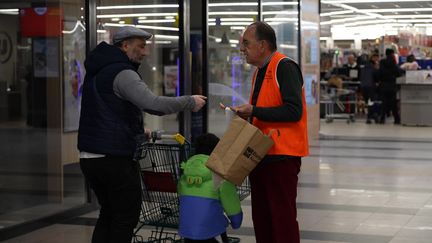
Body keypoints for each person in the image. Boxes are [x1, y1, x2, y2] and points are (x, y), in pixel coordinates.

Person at [77, 26, 206, 243]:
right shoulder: (123, 72)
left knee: (109, 213)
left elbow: (107, 110)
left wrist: (136, 130)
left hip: (90, 157)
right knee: (125, 216)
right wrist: (189, 101)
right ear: (125, 45)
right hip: (114, 158)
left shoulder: (99, 70)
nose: (145, 52)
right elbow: (153, 104)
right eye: (141, 46)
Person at [223, 21, 309, 243]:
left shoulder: (285, 67)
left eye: (246, 43)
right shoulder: (259, 72)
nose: (242, 48)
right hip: (260, 153)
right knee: (262, 217)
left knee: (282, 218)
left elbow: (294, 111)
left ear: (262, 45)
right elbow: (265, 108)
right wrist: (247, 114)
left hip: (282, 156)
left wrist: (255, 111)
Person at [178, 133, 243, 243]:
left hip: (186, 229)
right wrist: (236, 221)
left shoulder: (185, 173)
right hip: (209, 229)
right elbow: (231, 203)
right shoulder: (219, 175)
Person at [377, 48, 404, 124]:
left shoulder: (382, 62)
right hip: (392, 85)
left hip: (383, 85)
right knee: (393, 104)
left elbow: (379, 74)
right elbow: (398, 72)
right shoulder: (393, 62)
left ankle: (382, 119)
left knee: (384, 103)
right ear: (392, 54)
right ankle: (397, 119)